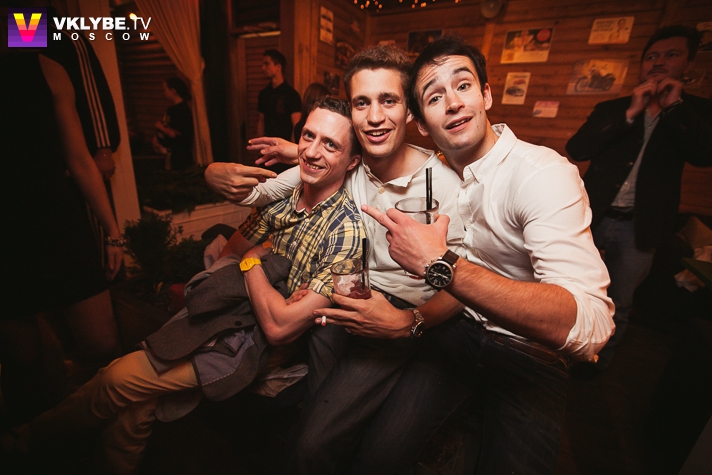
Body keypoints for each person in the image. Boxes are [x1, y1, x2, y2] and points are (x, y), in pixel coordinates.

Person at [8, 98, 366, 475]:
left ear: (352, 162)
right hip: (226, 315)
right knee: (138, 404)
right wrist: (258, 272)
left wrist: (253, 262)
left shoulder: (345, 229)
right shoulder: (285, 198)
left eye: (330, 144)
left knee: (115, 379)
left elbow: (279, 327)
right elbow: (229, 254)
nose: (311, 151)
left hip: (253, 345)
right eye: (308, 136)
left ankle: (24, 443)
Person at [345, 35, 615, 474]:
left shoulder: (540, 174)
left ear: (486, 95)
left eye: (463, 85)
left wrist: (441, 265)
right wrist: (304, 158)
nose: (452, 103)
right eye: (435, 96)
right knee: (378, 457)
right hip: (456, 334)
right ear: (421, 122)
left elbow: (592, 325)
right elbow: (378, 150)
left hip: (529, 356)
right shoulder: (440, 170)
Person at [205, 44, 466, 473]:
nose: (375, 116)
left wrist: (410, 320)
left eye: (388, 100)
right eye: (362, 102)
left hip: (416, 319)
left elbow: (467, 281)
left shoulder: (446, 184)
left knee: (364, 449)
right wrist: (212, 170)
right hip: (347, 307)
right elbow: (261, 191)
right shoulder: (349, 165)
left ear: (410, 111)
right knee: (316, 428)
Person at [0, 7, 123, 425]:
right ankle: (42, 439)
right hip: (6, 231)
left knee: (102, 342)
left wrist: (112, 231)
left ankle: (88, 424)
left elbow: (81, 160)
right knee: (25, 360)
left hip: (57, 217)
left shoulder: (47, 67)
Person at [566, 25, 712, 373]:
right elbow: (577, 148)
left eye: (671, 55)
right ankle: (562, 352)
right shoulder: (613, 108)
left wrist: (674, 108)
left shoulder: (695, 110)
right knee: (572, 288)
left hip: (641, 226)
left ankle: (597, 364)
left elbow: (703, 154)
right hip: (592, 216)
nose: (659, 63)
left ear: (688, 64)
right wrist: (630, 114)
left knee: (620, 300)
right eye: (652, 57)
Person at [257, 49, 302, 173]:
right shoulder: (263, 94)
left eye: (267, 64)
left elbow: (296, 125)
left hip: (284, 151)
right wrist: (260, 146)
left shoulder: (291, 94)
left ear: (278, 67)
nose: (263, 68)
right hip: (267, 150)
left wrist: (290, 149)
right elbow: (261, 121)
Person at [153, 77, 194, 171]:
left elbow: (175, 134)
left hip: (180, 155)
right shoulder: (172, 109)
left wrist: (160, 127)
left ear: (173, 90)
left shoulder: (182, 110)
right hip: (172, 153)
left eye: (165, 89)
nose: (164, 92)